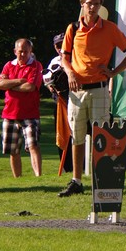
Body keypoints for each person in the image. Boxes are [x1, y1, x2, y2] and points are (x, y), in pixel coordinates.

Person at [59, 0, 126, 197]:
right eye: (89, 3)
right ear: (82, 5)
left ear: (100, 6)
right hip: (77, 91)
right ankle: (76, 181)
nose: (92, 7)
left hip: (100, 90)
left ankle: (101, 179)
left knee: (101, 137)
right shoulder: (73, 28)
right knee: (76, 136)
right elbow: (64, 57)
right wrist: (70, 73)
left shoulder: (110, 28)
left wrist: (114, 72)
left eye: (96, 4)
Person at [0, 38, 44, 177]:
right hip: (9, 114)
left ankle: (38, 177)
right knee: (13, 150)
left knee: (33, 145)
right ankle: (18, 179)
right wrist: (18, 81)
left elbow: (30, 87)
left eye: (26, 51)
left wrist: (10, 85)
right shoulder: (8, 65)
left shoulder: (36, 66)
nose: (23, 54)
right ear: (15, 51)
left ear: (30, 51)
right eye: (20, 51)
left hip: (30, 114)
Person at [44, 33, 73, 173]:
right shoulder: (54, 61)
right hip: (60, 102)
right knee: (62, 134)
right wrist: (51, 86)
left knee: (78, 134)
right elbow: (47, 81)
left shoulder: (76, 58)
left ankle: (81, 167)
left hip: (76, 101)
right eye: (57, 45)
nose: (60, 48)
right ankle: (67, 168)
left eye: (63, 44)